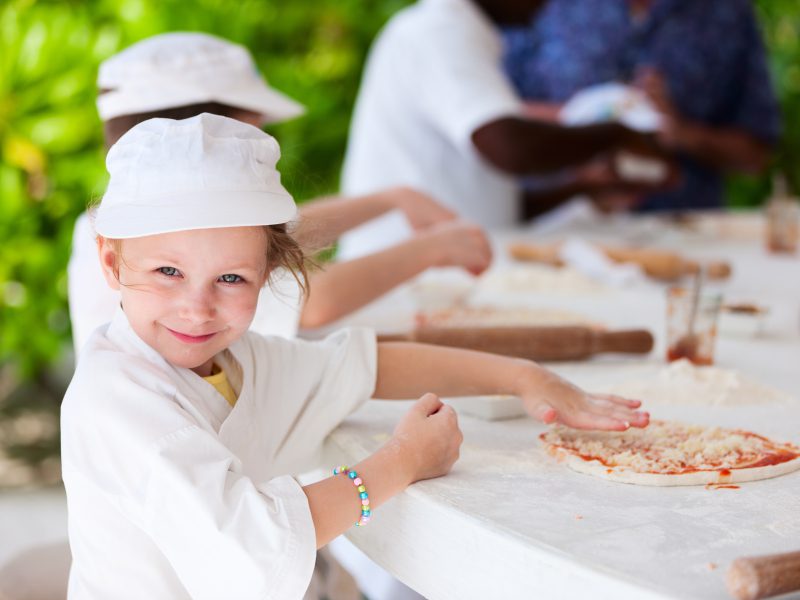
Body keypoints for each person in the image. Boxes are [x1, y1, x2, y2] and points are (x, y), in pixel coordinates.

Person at [61, 114, 649, 598]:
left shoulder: (235, 363)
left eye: (231, 278)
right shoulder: (119, 403)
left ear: (269, 275)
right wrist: (401, 460)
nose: (198, 307)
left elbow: (364, 366)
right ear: (111, 263)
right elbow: (256, 550)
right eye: (168, 271)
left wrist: (521, 376)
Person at [68, 32, 491, 354]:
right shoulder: (139, 232)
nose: (265, 140)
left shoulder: (134, 217)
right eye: (254, 130)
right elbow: (311, 300)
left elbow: (281, 234)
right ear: (201, 133)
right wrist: (431, 250)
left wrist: (392, 200)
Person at [336, 0, 672, 259]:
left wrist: (581, 188)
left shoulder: (458, 34)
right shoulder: (438, 33)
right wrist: (616, 133)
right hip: (399, 282)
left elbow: (494, 203)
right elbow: (510, 148)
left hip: (434, 274)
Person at [502, 0, 782, 213]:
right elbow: (484, 111)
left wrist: (683, 133)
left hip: (686, 234)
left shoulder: (727, 12)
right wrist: (590, 116)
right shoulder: (542, 6)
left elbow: (754, 155)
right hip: (551, 225)